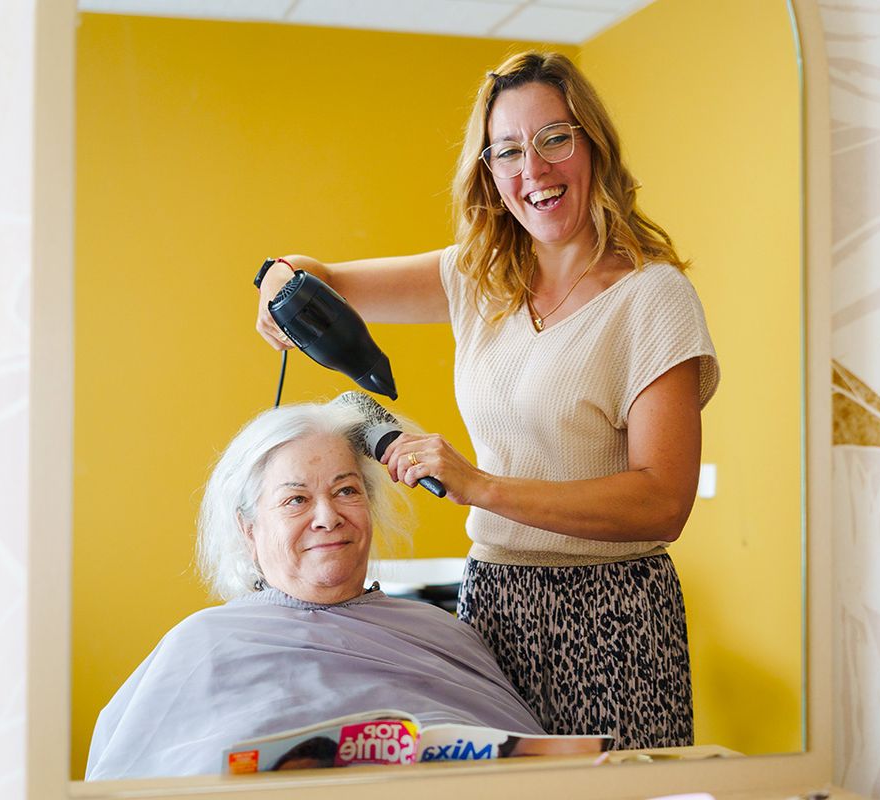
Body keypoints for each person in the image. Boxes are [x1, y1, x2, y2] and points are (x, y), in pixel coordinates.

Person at [253, 51, 719, 749]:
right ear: (490, 173)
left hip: (614, 615)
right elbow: (317, 275)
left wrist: (479, 486)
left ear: (593, 144)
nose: (534, 170)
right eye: (508, 152)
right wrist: (276, 282)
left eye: (555, 139)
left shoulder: (653, 299)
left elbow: (662, 502)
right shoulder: (479, 277)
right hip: (495, 607)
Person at [85, 399, 544, 780]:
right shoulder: (202, 644)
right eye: (296, 500)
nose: (327, 516)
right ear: (249, 530)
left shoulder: (446, 634)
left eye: (346, 491)